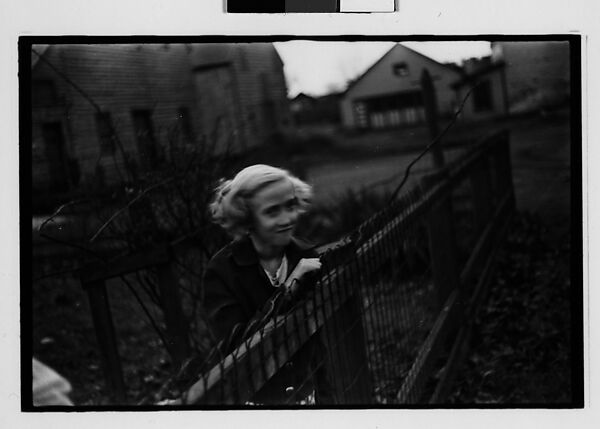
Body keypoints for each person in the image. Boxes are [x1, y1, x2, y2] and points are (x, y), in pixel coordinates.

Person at [203, 164, 334, 404]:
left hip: (306, 396)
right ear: (247, 218)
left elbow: (317, 344)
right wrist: (288, 290)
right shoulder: (222, 272)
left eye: (290, 206)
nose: (287, 219)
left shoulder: (305, 256)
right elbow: (236, 349)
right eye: (272, 211)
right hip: (256, 402)